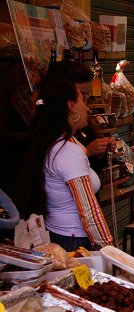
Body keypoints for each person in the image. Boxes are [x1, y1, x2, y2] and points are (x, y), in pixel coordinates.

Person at [20, 80, 113, 251]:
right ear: (71, 106)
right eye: (83, 100)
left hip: (59, 234)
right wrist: (110, 251)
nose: (88, 108)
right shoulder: (68, 151)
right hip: (74, 241)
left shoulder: (56, 142)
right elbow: (88, 210)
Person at [41, 60, 114, 166]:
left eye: (87, 94)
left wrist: (103, 150)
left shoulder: (81, 123)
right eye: (82, 94)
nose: (86, 103)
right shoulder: (53, 134)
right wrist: (87, 152)